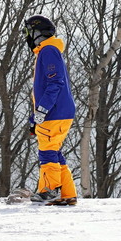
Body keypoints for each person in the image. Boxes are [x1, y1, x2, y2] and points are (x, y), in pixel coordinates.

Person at [24, 15, 78, 206]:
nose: (27, 37)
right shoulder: (47, 51)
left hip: (54, 112)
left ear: (37, 33)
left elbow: (55, 83)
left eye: (28, 32)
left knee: (47, 150)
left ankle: (49, 190)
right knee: (54, 151)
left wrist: (42, 110)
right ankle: (66, 193)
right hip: (59, 111)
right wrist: (34, 117)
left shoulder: (48, 51)